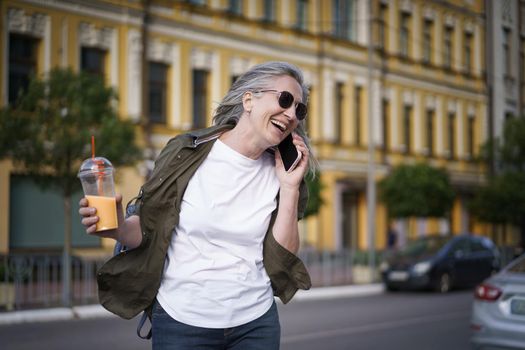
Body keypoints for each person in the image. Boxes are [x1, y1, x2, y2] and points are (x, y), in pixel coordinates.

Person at [79, 61, 317, 349]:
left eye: (299, 109)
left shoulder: (283, 172)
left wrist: (290, 188)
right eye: (285, 100)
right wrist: (116, 227)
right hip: (182, 322)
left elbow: (284, 256)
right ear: (249, 99)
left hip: (256, 323)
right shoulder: (187, 152)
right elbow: (151, 230)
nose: (291, 114)